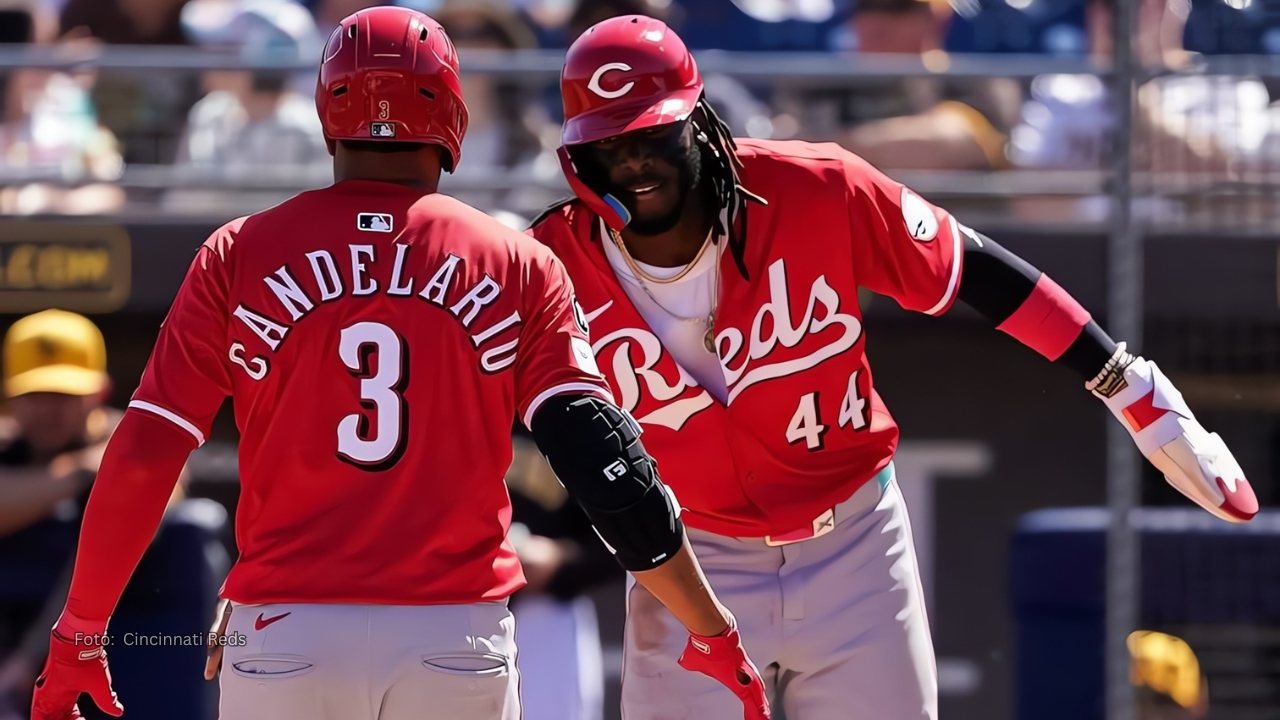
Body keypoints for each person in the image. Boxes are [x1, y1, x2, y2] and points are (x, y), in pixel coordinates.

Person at [28, 8, 769, 720]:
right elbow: (603, 460)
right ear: (449, 110)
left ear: (329, 112)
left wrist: (81, 632)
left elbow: (147, 449)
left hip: (285, 630)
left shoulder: (237, 251)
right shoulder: (514, 259)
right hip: (452, 635)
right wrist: (709, 625)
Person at [528, 15, 1259, 719]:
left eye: (653, 132)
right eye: (609, 143)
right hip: (692, 561)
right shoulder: (551, 261)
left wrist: (1128, 385)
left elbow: (972, 268)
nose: (632, 160)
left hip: (854, 544)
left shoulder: (816, 186)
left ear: (695, 118)